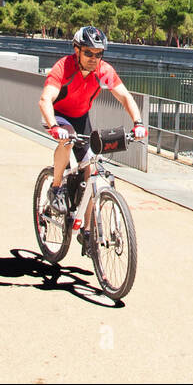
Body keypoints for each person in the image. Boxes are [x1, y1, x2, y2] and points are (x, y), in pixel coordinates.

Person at [38, 26, 147, 247]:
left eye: (99, 54)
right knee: (66, 141)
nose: (93, 58)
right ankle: (56, 186)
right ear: (76, 50)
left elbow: (125, 97)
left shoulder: (104, 71)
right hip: (58, 116)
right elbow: (45, 100)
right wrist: (53, 126)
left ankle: (87, 231)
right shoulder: (63, 67)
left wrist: (138, 123)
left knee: (91, 170)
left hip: (81, 118)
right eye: (88, 52)